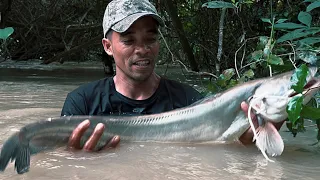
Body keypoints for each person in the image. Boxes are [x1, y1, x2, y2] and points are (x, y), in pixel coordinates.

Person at [61, 0, 283, 151]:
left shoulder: (190, 102)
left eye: (150, 39)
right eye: (129, 40)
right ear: (108, 47)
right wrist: (75, 156)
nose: (142, 49)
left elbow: (223, 152)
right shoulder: (82, 104)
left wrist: (251, 139)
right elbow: (59, 160)